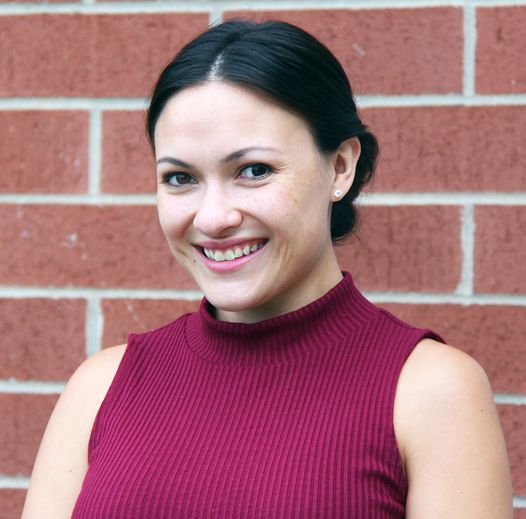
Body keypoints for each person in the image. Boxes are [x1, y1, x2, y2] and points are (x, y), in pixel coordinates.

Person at [23, 20, 512, 518]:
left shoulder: (430, 391)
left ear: (340, 167)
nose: (213, 217)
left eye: (253, 170)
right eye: (180, 177)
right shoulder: (102, 388)